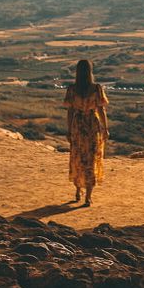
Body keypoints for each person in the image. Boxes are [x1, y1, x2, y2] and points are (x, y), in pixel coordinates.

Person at [62, 59, 109, 206]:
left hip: (78, 125)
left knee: (77, 158)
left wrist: (69, 130)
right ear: (90, 71)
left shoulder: (71, 89)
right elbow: (101, 109)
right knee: (91, 160)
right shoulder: (96, 88)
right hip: (92, 126)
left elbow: (70, 111)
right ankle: (88, 196)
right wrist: (105, 128)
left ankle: (77, 191)